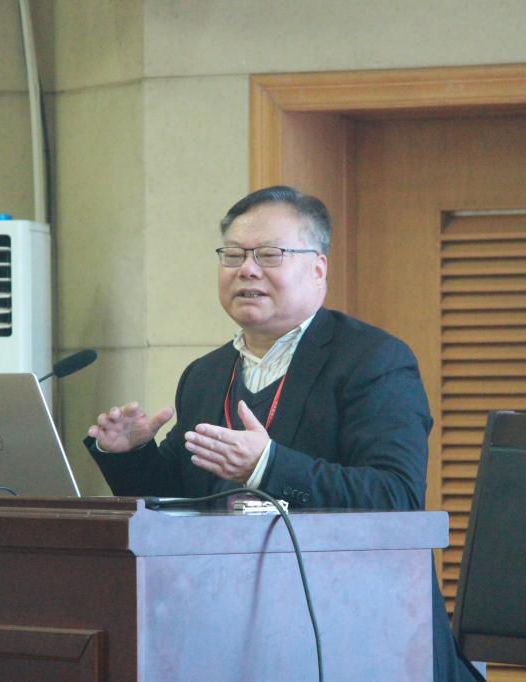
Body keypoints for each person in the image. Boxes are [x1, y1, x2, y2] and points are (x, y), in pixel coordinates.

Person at [85, 185, 482, 682]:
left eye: (269, 255)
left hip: (359, 629)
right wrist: (131, 454)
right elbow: (179, 502)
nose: (247, 270)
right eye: (233, 255)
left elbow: (395, 497)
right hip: (229, 628)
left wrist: (268, 467)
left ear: (317, 269)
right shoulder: (206, 375)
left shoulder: (372, 360)